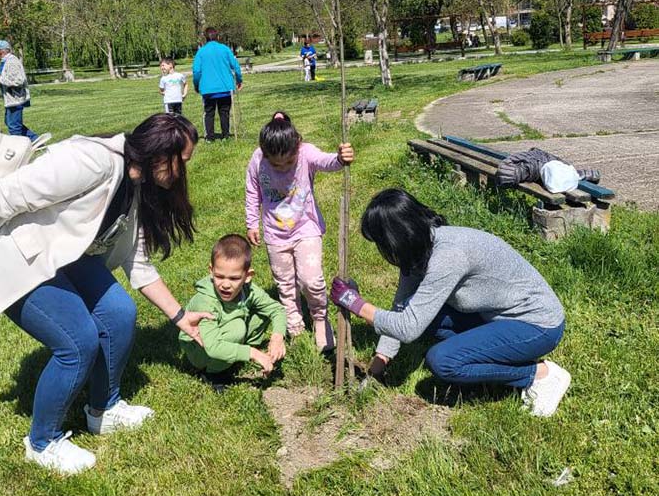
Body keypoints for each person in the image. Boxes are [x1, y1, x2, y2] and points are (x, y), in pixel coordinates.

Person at [0, 114, 212, 474]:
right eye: (183, 161)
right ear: (159, 154)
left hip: (61, 256)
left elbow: (138, 261)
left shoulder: (137, 183)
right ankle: (42, 443)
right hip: (18, 255)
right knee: (77, 343)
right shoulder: (92, 161)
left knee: (119, 314)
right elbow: (4, 196)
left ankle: (103, 410)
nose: (184, 171)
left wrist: (180, 317)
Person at [330, 188, 571, 417]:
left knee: (444, 361)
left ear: (396, 239)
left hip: (538, 325)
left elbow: (408, 328)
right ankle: (495, 355)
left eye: (381, 244)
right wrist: (377, 369)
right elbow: (401, 309)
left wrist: (356, 304)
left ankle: (540, 375)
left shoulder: (447, 256)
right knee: (427, 317)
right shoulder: (419, 249)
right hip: (499, 317)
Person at [246, 112, 354, 352]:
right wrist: (252, 223)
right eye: (276, 164)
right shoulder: (258, 159)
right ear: (265, 153)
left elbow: (326, 161)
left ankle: (320, 318)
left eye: (288, 162)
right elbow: (253, 191)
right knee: (285, 283)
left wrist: (340, 157)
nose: (282, 168)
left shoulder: (306, 152)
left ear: (298, 146)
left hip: (306, 227)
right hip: (275, 233)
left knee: (311, 280)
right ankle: (295, 326)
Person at [179, 233, 286, 385]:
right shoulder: (205, 301)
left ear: (247, 276)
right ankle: (213, 373)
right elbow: (213, 347)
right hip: (200, 349)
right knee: (237, 328)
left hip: (222, 335)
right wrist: (253, 354)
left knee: (262, 314)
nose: (225, 284)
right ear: (211, 270)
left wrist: (277, 337)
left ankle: (234, 356)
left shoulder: (248, 290)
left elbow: (276, 309)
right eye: (219, 276)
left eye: (234, 278)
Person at [192, 27, 242, 141]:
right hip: (225, 87)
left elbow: (196, 71)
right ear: (218, 37)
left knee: (209, 113)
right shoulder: (225, 49)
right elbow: (236, 66)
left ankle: (210, 137)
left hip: (208, 89)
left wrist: (196, 84)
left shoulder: (201, 52)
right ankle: (225, 135)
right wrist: (239, 80)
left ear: (205, 38)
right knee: (224, 112)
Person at [0, 39, 37, 140]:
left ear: (1, 50)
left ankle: (20, 146)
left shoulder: (12, 61)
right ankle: (35, 140)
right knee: (10, 123)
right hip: (11, 100)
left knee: (14, 127)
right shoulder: (5, 61)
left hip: (16, 99)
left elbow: (18, 81)